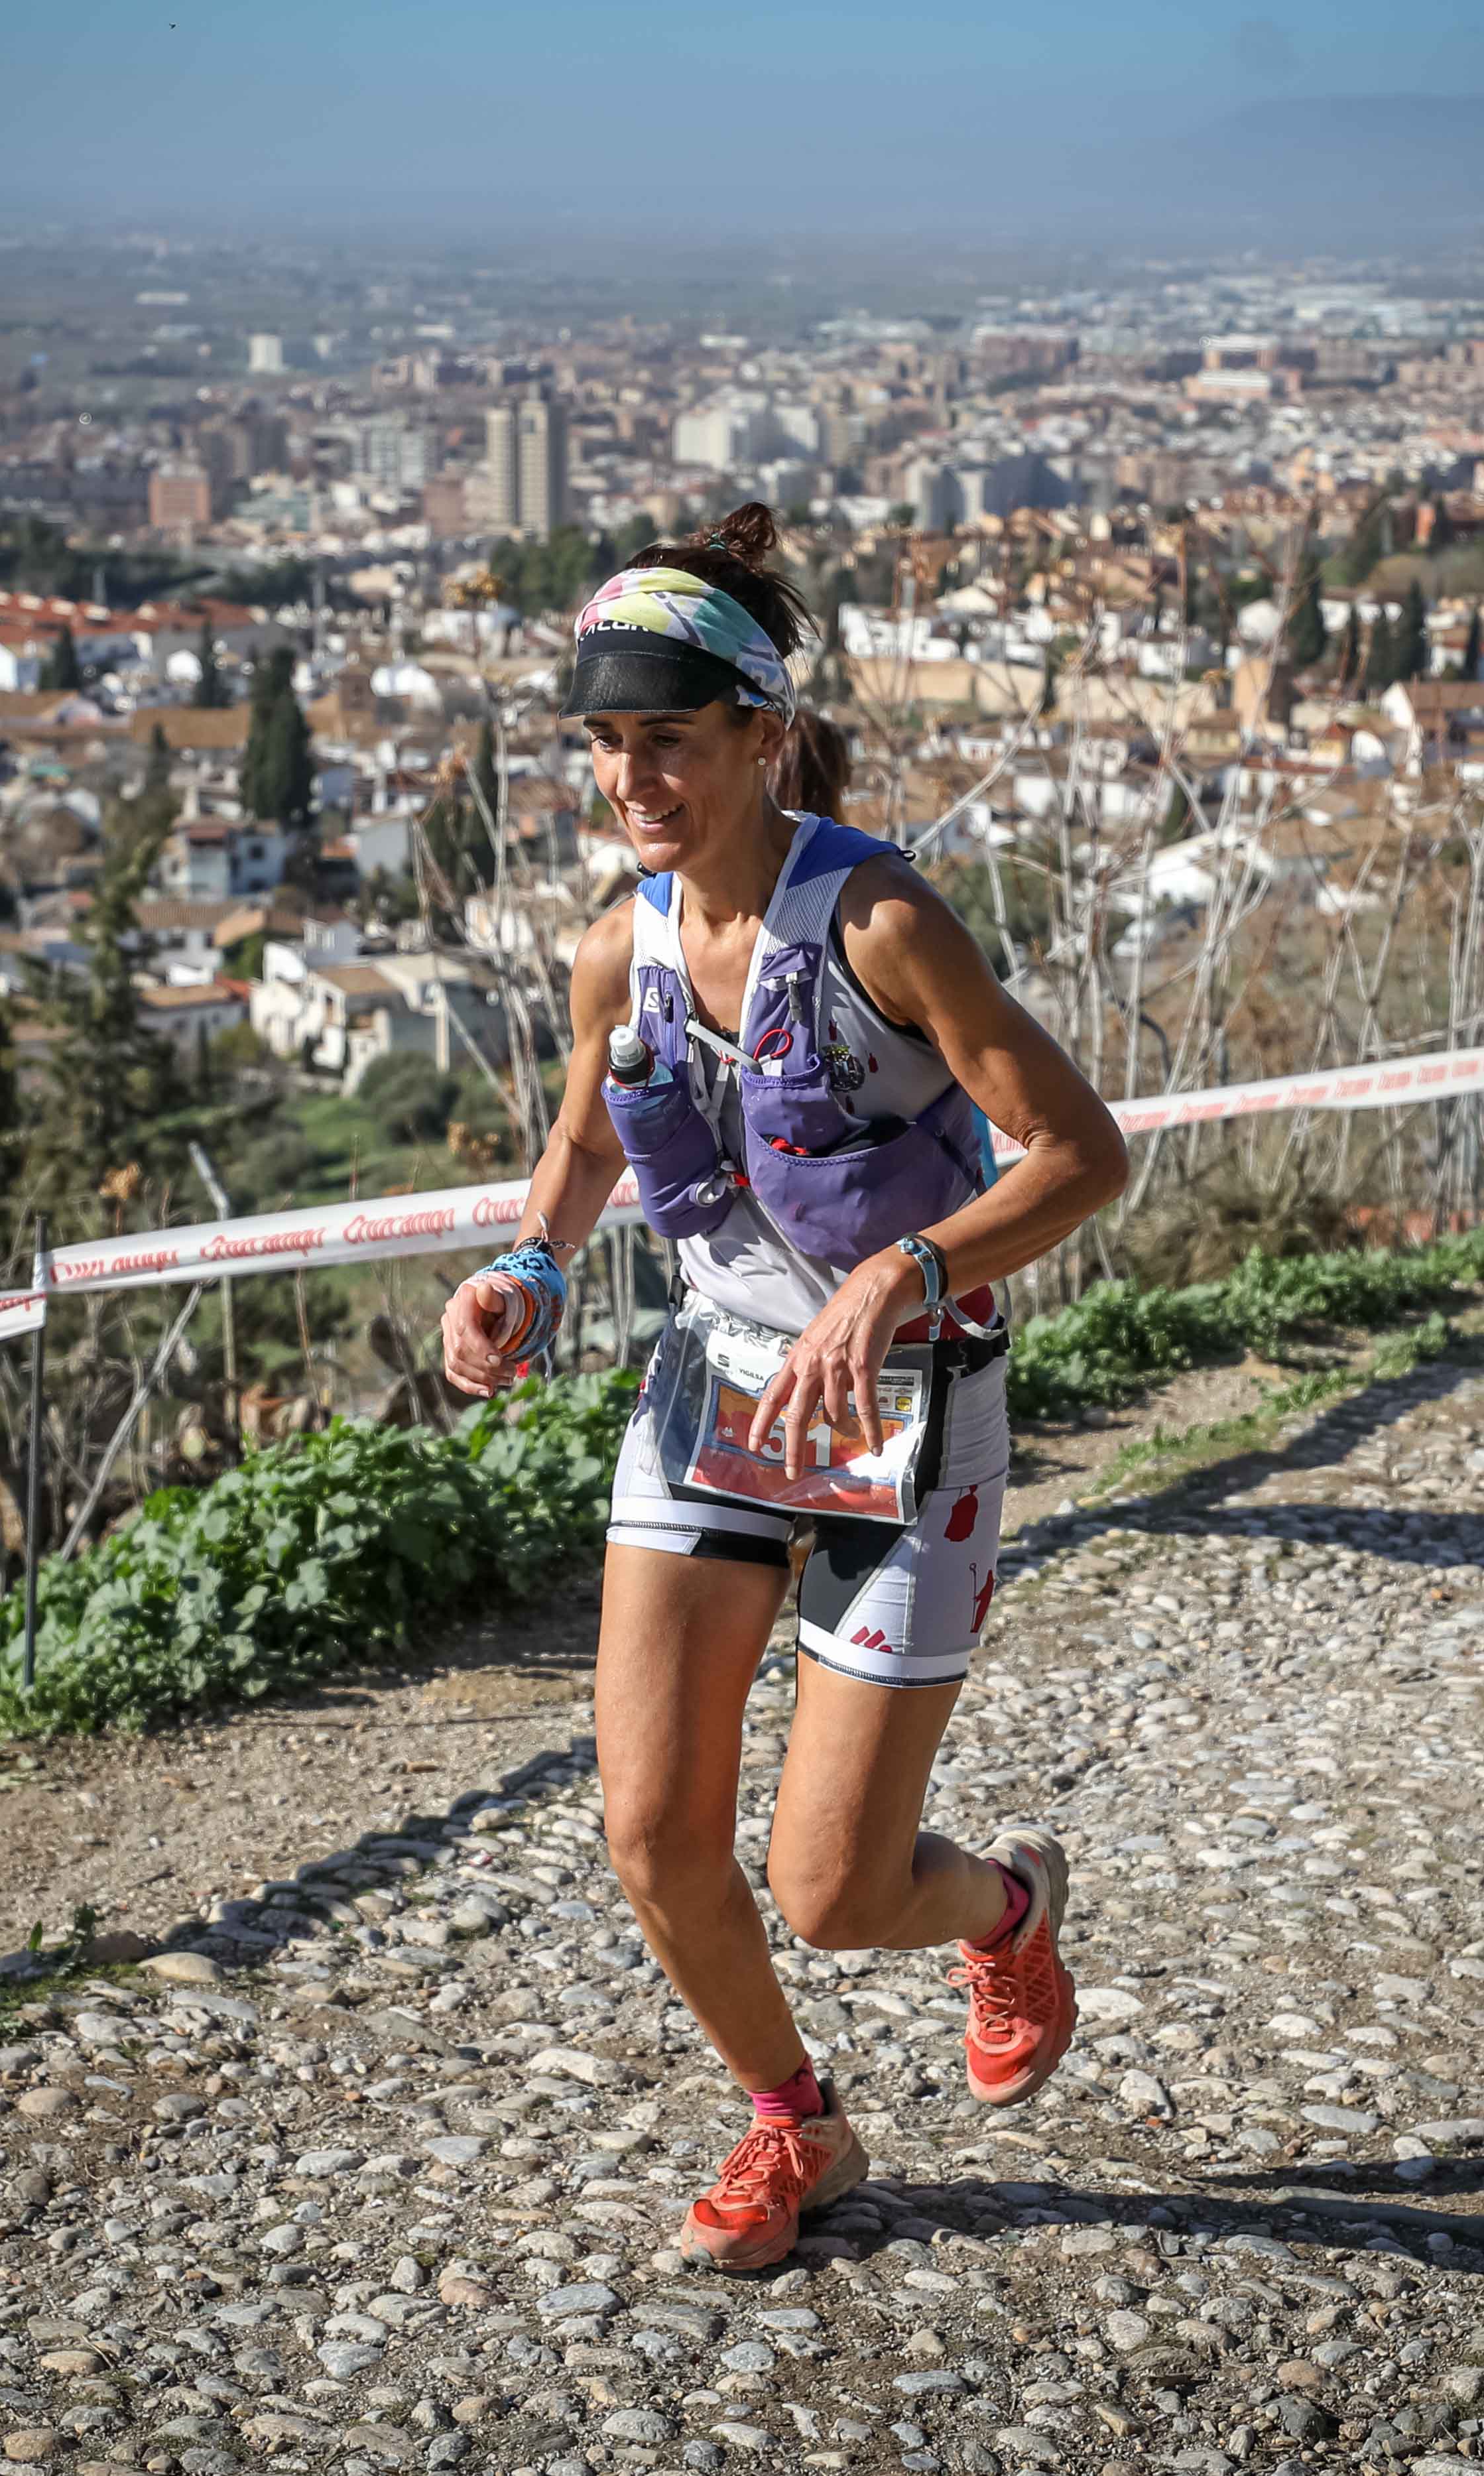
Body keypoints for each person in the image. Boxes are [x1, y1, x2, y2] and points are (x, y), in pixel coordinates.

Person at [438, 505, 1131, 2272]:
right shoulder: (620, 945)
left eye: (665, 738)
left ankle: (1010, 1904)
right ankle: (794, 2122)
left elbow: (1081, 1153)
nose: (631, 777)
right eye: (605, 744)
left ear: (762, 731)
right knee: (653, 1830)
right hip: (713, 1396)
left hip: (913, 1411)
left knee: (833, 1887)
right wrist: (525, 1266)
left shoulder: (883, 922)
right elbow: (591, 1138)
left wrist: (908, 1271)